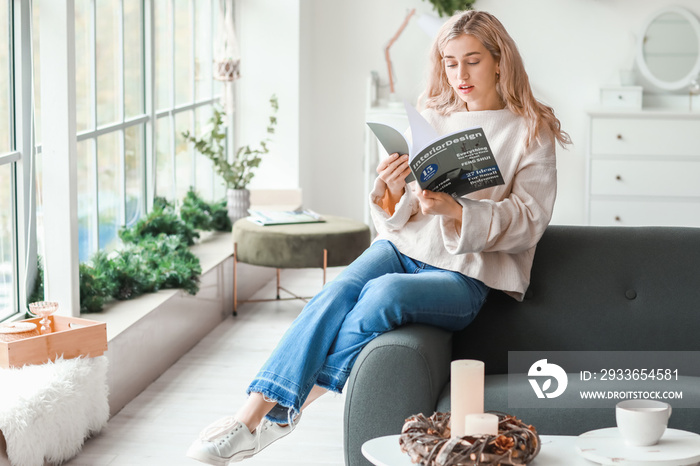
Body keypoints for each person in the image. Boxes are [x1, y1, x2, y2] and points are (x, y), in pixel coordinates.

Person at [186, 9, 571, 465]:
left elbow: (529, 219)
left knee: (382, 293)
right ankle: (247, 421)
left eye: (472, 61)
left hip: (465, 274)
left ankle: (287, 412)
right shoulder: (432, 116)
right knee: (337, 292)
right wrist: (390, 192)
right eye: (450, 63)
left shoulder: (530, 129)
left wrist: (456, 209)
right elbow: (397, 210)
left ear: (499, 62)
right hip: (402, 247)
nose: (460, 75)